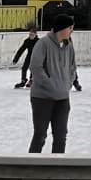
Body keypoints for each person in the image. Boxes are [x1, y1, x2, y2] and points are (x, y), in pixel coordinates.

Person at [27, 14, 77, 153]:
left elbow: (73, 66)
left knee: (61, 136)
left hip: (62, 98)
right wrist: (51, 85)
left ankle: (58, 169)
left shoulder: (69, 45)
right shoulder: (43, 44)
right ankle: (32, 168)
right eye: (70, 27)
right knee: (40, 136)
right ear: (61, 28)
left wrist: (68, 83)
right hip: (42, 98)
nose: (72, 30)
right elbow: (36, 67)